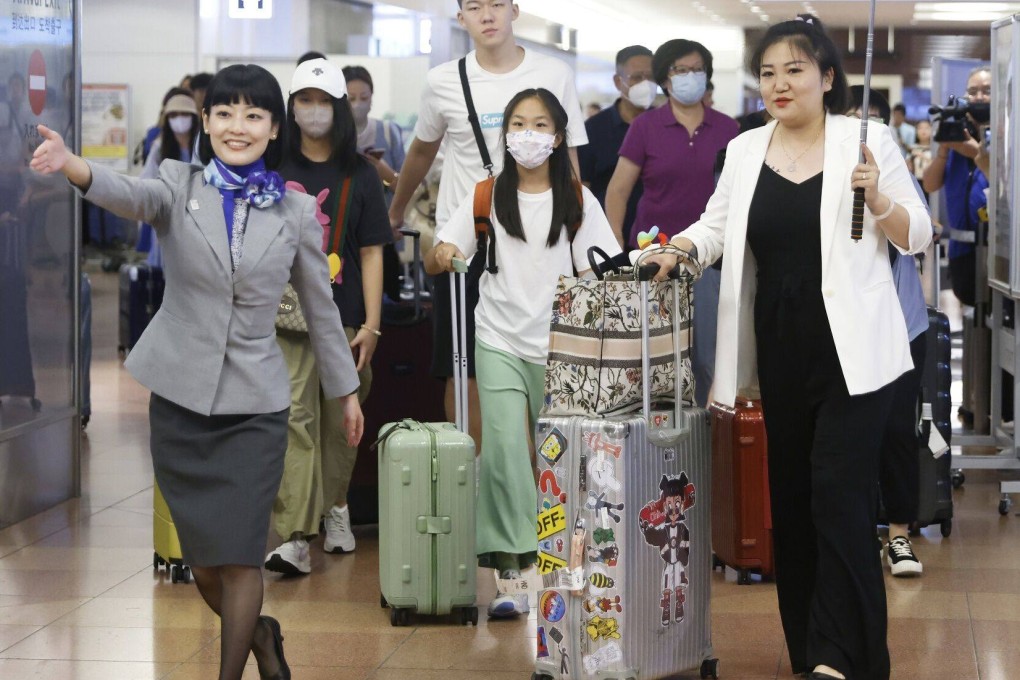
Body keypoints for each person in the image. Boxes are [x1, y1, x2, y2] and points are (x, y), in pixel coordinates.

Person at [30, 64, 366, 680]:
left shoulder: (293, 212)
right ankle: (262, 634)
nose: (239, 126)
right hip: (182, 401)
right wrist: (74, 164)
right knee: (206, 565)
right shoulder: (176, 183)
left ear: (273, 129)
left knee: (240, 559)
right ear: (207, 122)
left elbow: (323, 311)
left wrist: (345, 393)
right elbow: (125, 193)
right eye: (225, 113)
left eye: (255, 115)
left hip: (258, 405)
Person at [662, 16, 931, 680]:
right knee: (793, 497)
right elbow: (717, 224)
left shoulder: (867, 141)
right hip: (779, 344)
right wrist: (682, 248)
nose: (780, 84)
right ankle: (817, 644)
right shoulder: (748, 148)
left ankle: (840, 654)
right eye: (769, 73)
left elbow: (918, 233)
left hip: (855, 350)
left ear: (828, 78)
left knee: (837, 491)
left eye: (796, 70)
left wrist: (883, 202)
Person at [424, 88, 620, 618]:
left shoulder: (578, 199)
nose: (526, 135)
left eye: (538, 126)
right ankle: (512, 573)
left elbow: (602, 272)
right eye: (517, 124)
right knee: (507, 454)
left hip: (563, 347)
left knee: (561, 458)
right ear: (505, 132)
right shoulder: (485, 194)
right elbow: (444, 251)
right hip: (498, 338)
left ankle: (565, 564)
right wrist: (443, 252)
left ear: (558, 138)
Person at [386, 0, 587, 448]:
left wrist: (578, 234)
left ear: (515, 10)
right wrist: (396, 211)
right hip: (466, 245)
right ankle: (472, 480)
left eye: (497, 3)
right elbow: (421, 151)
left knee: (546, 364)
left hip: (540, 245)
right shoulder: (443, 81)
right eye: (474, 7)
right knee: (464, 369)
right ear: (461, 19)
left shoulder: (554, 74)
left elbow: (570, 160)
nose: (487, 15)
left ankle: (539, 487)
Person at [264, 58, 390, 573]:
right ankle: (295, 533)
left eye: (324, 102)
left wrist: (373, 326)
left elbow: (372, 252)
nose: (314, 112)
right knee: (293, 418)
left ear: (340, 109)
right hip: (281, 320)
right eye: (304, 101)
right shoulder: (271, 166)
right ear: (291, 107)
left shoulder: (359, 172)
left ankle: (336, 507)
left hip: (344, 319)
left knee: (344, 422)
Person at [605, 38, 738, 407]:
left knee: (709, 361)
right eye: (681, 70)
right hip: (653, 262)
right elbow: (617, 192)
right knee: (653, 361)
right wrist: (618, 251)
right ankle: (656, 451)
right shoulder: (646, 127)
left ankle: (709, 447)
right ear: (665, 77)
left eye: (697, 69)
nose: (689, 77)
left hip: (712, 263)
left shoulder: (729, 129)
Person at [850, 86, 928, 578]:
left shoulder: (890, 166)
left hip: (899, 318)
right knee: (849, 433)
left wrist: (877, 197)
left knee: (898, 428)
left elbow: (916, 233)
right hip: (844, 323)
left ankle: (898, 535)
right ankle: (854, 535)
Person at [922, 65, 990, 309]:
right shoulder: (955, 132)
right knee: (970, 307)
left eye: (987, 90)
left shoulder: (1007, 135)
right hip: (962, 249)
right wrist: (944, 149)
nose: (979, 97)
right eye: (973, 91)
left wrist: (975, 151)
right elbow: (930, 184)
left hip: (998, 250)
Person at [578, 44, 654, 248]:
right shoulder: (594, 129)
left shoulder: (663, 124)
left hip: (658, 238)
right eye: (637, 77)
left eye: (651, 77)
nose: (645, 84)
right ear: (618, 81)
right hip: (608, 236)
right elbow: (582, 187)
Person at [137, 88, 200, 266]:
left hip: (200, 217)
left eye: (184, 114)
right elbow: (146, 180)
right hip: (169, 217)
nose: (179, 119)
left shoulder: (205, 146)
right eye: (174, 115)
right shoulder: (160, 148)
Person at [343, 65, 404, 191]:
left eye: (364, 98)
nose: (357, 105)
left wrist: (386, 173)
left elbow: (407, 189)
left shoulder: (388, 132)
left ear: (371, 97)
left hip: (386, 208)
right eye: (351, 99)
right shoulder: (331, 136)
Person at [908, 119, 933, 202]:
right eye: (920, 128)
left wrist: (922, 156)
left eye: (927, 128)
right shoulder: (912, 148)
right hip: (915, 182)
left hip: (930, 182)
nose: (923, 131)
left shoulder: (935, 149)